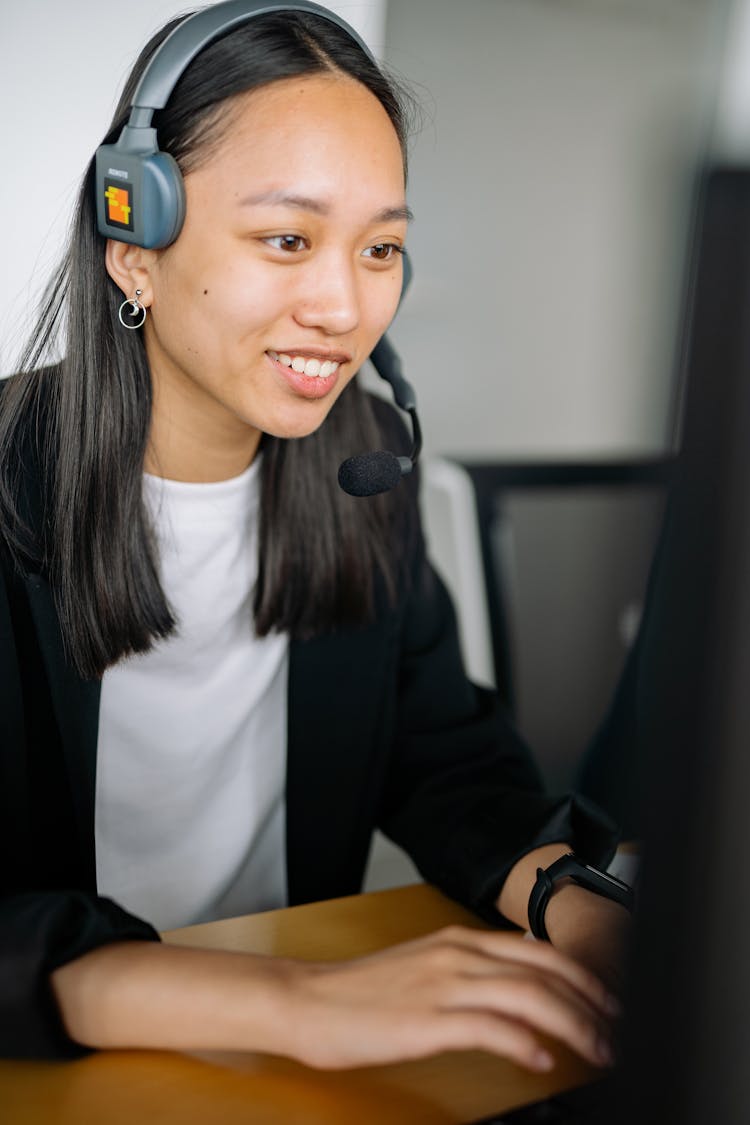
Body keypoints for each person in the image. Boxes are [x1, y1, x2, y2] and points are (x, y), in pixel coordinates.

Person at [0, 1, 628, 1070]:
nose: (344, 305)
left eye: (380, 248)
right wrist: (286, 1005)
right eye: (287, 239)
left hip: (298, 1060)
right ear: (134, 243)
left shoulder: (362, 467)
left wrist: (579, 903)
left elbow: (444, 759)